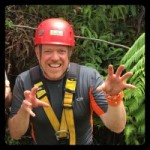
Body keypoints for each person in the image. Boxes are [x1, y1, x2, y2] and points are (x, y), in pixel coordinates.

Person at [8, 18, 136, 145]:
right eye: (48, 51)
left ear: (70, 52)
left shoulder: (88, 77)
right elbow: (15, 134)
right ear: (37, 53)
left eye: (61, 51)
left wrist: (114, 97)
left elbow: (117, 127)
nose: (55, 57)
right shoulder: (25, 81)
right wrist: (24, 111)